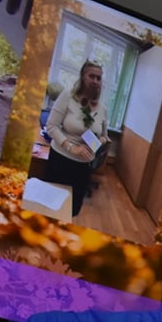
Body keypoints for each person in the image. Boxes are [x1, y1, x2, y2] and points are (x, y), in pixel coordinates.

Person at [44, 62, 107, 217]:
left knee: (71, 210)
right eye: (91, 76)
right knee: (50, 207)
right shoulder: (68, 96)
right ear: (82, 77)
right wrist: (72, 147)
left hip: (83, 167)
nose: (95, 81)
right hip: (61, 160)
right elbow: (51, 126)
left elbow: (104, 136)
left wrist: (96, 144)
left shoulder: (103, 109)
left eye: (99, 78)